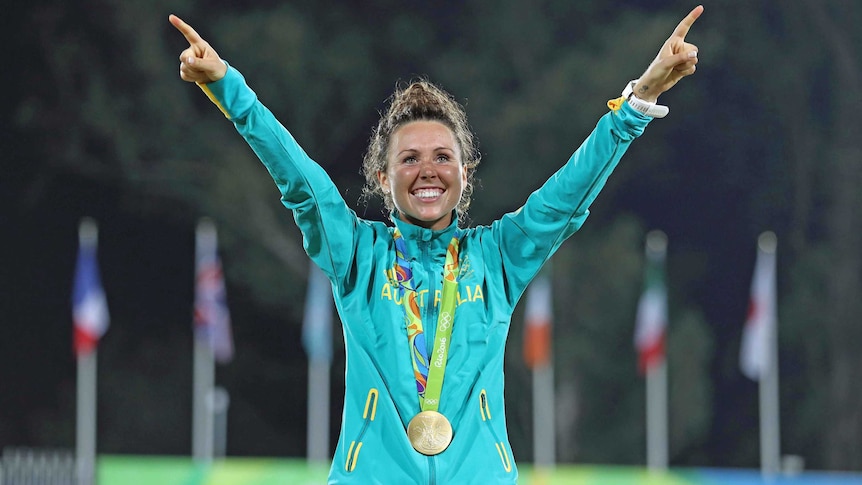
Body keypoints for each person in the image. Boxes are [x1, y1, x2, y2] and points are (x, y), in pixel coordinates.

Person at [170, 5, 702, 483]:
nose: (428, 170)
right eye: (409, 158)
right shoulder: (357, 256)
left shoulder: (497, 258)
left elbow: (566, 198)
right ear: (382, 178)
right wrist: (229, 89)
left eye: (443, 157)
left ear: (466, 174)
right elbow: (302, 185)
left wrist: (639, 102)